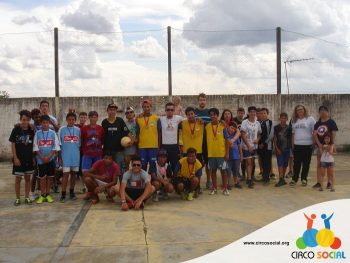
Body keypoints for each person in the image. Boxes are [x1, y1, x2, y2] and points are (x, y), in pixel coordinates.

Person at [9, 110, 35, 206]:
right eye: (23, 120)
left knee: (28, 179)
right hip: (18, 159)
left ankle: (27, 197)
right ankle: (17, 198)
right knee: (18, 179)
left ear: (29, 120)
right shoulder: (16, 130)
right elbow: (13, 144)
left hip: (28, 159)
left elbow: (33, 144)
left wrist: (33, 157)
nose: (25, 122)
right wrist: (15, 158)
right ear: (20, 120)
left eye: (27, 120)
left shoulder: (31, 130)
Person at [33, 115, 60, 204]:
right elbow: (35, 147)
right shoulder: (37, 133)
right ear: (41, 123)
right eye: (43, 123)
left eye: (47, 122)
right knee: (42, 178)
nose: (45, 124)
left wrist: (48, 157)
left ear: (49, 123)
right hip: (40, 160)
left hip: (50, 159)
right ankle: (42, 195)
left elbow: (55, 146)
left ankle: (48, 194)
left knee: (50, 177)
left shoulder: (52, 133)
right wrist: (42, 157)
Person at [179, 106, 205, 195]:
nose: (190, 116)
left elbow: (212, 123)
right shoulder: (182, 123)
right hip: (186, 150)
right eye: (188, 114)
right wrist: (181, 145)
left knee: (198, 169)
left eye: (192, 114)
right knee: (186, 169)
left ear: (195, 114)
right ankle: (187, 186)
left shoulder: (201, 123)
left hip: (198, 151)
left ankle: (197, 187)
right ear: (186, 116)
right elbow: (180, 134)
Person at [206, 108, 232, 195]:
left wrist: (227, 153)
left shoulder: (222, 126)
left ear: (217, 115)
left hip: (221, 153)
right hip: (211, 154)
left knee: (223, 171)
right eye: (211, 115)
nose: (212, 116)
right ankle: (215, 188)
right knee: (212, 171)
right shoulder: (207, 127)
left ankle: (225, 188)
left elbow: (227, 140)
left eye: (214, 114)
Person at [289, 105, 316, 186]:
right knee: (296, 163)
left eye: (301, 109)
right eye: (297, 110)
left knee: (306, 163)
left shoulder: (310, 119)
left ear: (304, 110)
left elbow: (315, 131)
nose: (299, 111)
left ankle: (304, 179)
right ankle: (294, 179)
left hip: (308, 145)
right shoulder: (294, 120)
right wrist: (293, 144)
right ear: (296, 111)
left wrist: (314, 143)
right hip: (297, 145)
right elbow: (293, 134)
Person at [313, 105, 338, 190]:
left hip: (329, 146)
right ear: (319, 113)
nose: (322, 112)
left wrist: (331, 145)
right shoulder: (317, 123)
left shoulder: (331, 122)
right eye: (321, 110)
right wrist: (319, 144)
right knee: (320, 164)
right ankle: (319, 182)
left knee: (329, 166)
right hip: (320, 147)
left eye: (324, 110)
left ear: (328, 112)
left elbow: (334, 134)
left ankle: (329, 183)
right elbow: (315, 134)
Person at [58, 112, 81, 202]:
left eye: (73, 120)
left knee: (74, 174)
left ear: (75, 120)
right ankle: (63, 194)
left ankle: (71, 192)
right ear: (67, 120)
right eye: (69, 119)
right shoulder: (62, 129)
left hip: (75, 156)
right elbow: (59, 145)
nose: (71, 121)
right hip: (65, 156)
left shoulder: (78, 130)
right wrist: (59, 158)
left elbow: (80, 144)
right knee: (65, 175)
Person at [101, 103, 130, 172]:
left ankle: (121, 183)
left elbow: (127, 132)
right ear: (107, 111)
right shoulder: (104, 122)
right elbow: (102, 136)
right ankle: (110, 183)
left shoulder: (120, 121)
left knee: (120, 170)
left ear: (116, 111)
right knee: (108, 170)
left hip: (119, 151)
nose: (112, 111)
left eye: (114, 110)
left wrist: (131, 141)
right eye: (110, 110)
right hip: (107, 151)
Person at [240, 106, 262, 189]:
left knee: (252, 163)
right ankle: (249, 180)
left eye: (254, 112)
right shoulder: (244, 122)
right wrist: (248, 145)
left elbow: (259, 133)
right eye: (251, 112)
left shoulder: (257, 123)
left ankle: (249, 177)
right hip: (246, 146)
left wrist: (258, 139)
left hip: (254, 147)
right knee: (248, 163)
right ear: (248, 113)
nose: (253, 113)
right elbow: (242, 134)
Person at [158, 102, 183, 172]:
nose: (170, 111)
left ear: (174, 111)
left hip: (174, 147)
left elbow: (189, 118)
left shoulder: (178, 118)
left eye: (172, 110)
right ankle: (164, 181)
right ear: (165, 110)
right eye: (168, 110)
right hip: (164, 146)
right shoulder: (161, 118)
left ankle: (175, 182)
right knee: (163, 167)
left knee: (175, 167)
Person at [136, 100, 160, 174]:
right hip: (142, 147)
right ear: (142, 107)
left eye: (148, 106)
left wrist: (159, 146)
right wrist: (137, 147)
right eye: (145, 107)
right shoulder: (138, 119)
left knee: (153, 166)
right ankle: (143, 183)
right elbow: (137, 133)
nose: (146, 108)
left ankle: (154, 183)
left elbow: (159, 133)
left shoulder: (156, 118)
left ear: (151, 107)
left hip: (153, 147)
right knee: (143, 166)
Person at [194, 93, 212, 190]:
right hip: (197, 142)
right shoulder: (194, 112)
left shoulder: (209, 112)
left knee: (208, 162)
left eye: (203, 100)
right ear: (198, 101)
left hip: (207, 141)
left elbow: (213, 122)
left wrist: (204, 122)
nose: (202, 101)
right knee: (198, 163)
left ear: (206, 101)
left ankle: (208, 181)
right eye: (200, 100)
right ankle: (198, 184)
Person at [273, 113, 292, 187]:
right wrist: (276, 148)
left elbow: (291, 139)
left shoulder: (289, 128)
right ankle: (280, 178)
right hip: (279, 149)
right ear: (279, 119)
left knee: (285, 164)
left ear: (287, 119)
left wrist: (291, 148)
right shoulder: (276, 127)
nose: (283, 119)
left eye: (285, 118)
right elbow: (274, 139)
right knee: (280, 164)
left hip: (287, 149)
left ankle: (282, 178)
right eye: (282, 118)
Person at [224, 121, 243, 189]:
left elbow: (239, 146)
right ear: (227, 128)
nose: (232, 130)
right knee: (228, 171)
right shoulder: (226, 136)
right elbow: (226, 144)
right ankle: (227, 184)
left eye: (234, 129)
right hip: (228, 157)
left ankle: (236, 182)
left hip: (236, 157)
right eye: (231, 128)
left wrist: (241, 155)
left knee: (236, 170)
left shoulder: (236, 137)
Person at [258, 108, 274, 184]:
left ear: (267, 114)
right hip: (260, 146)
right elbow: (258, 134)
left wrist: (263, 143)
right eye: (261, 113)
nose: (263, 115)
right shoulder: (259, 123)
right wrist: (259, 144)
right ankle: (264, 176)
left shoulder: (270, 123)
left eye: (264, 113)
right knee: (263, 162)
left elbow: (271, 135)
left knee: (267, 162)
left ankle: (267, 178)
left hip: (267, 146)